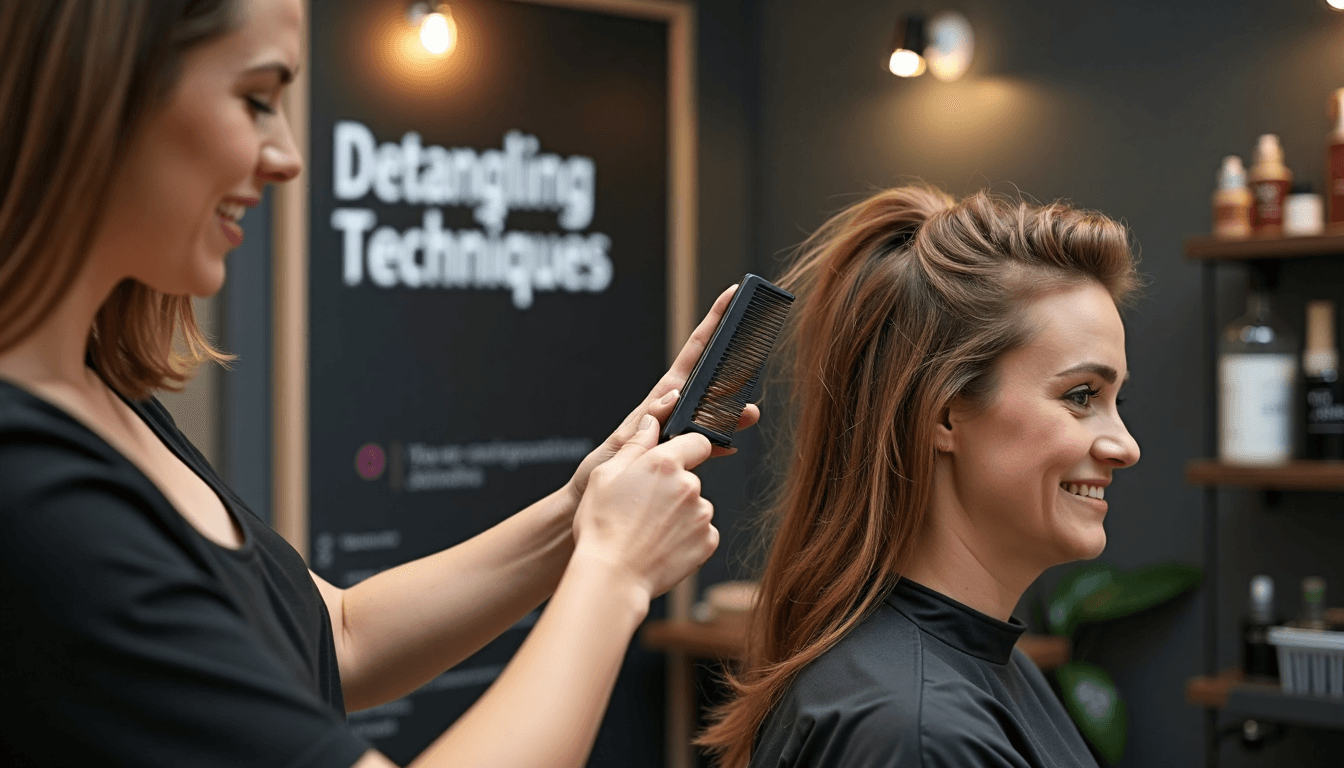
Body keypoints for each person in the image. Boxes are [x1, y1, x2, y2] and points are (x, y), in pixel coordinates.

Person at [0, 1, 758, 766]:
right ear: (99, 93)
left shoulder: (104, 398)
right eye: (257, 99)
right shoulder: (29, 483)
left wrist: (580, 511)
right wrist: (614, 574)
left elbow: (336, 637)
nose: (288, 155)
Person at [698, 185, 1142, 768]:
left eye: (1117, 400)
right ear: (943, 413)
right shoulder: (923, 733)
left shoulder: (980, 666)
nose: (1125, 447)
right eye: (1081, 395)